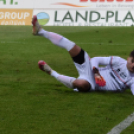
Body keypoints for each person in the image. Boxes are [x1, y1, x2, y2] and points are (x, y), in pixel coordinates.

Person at [32, 15, 134, 95]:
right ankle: (41, 31)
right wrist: (96, 72)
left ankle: (51, 72)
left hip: (92, 84)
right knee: (72, 46)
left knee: (81, 84)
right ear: (128, 58)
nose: (133, 65)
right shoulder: (118, 61)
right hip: (90, 71)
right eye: (132, 61)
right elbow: (96, 59)